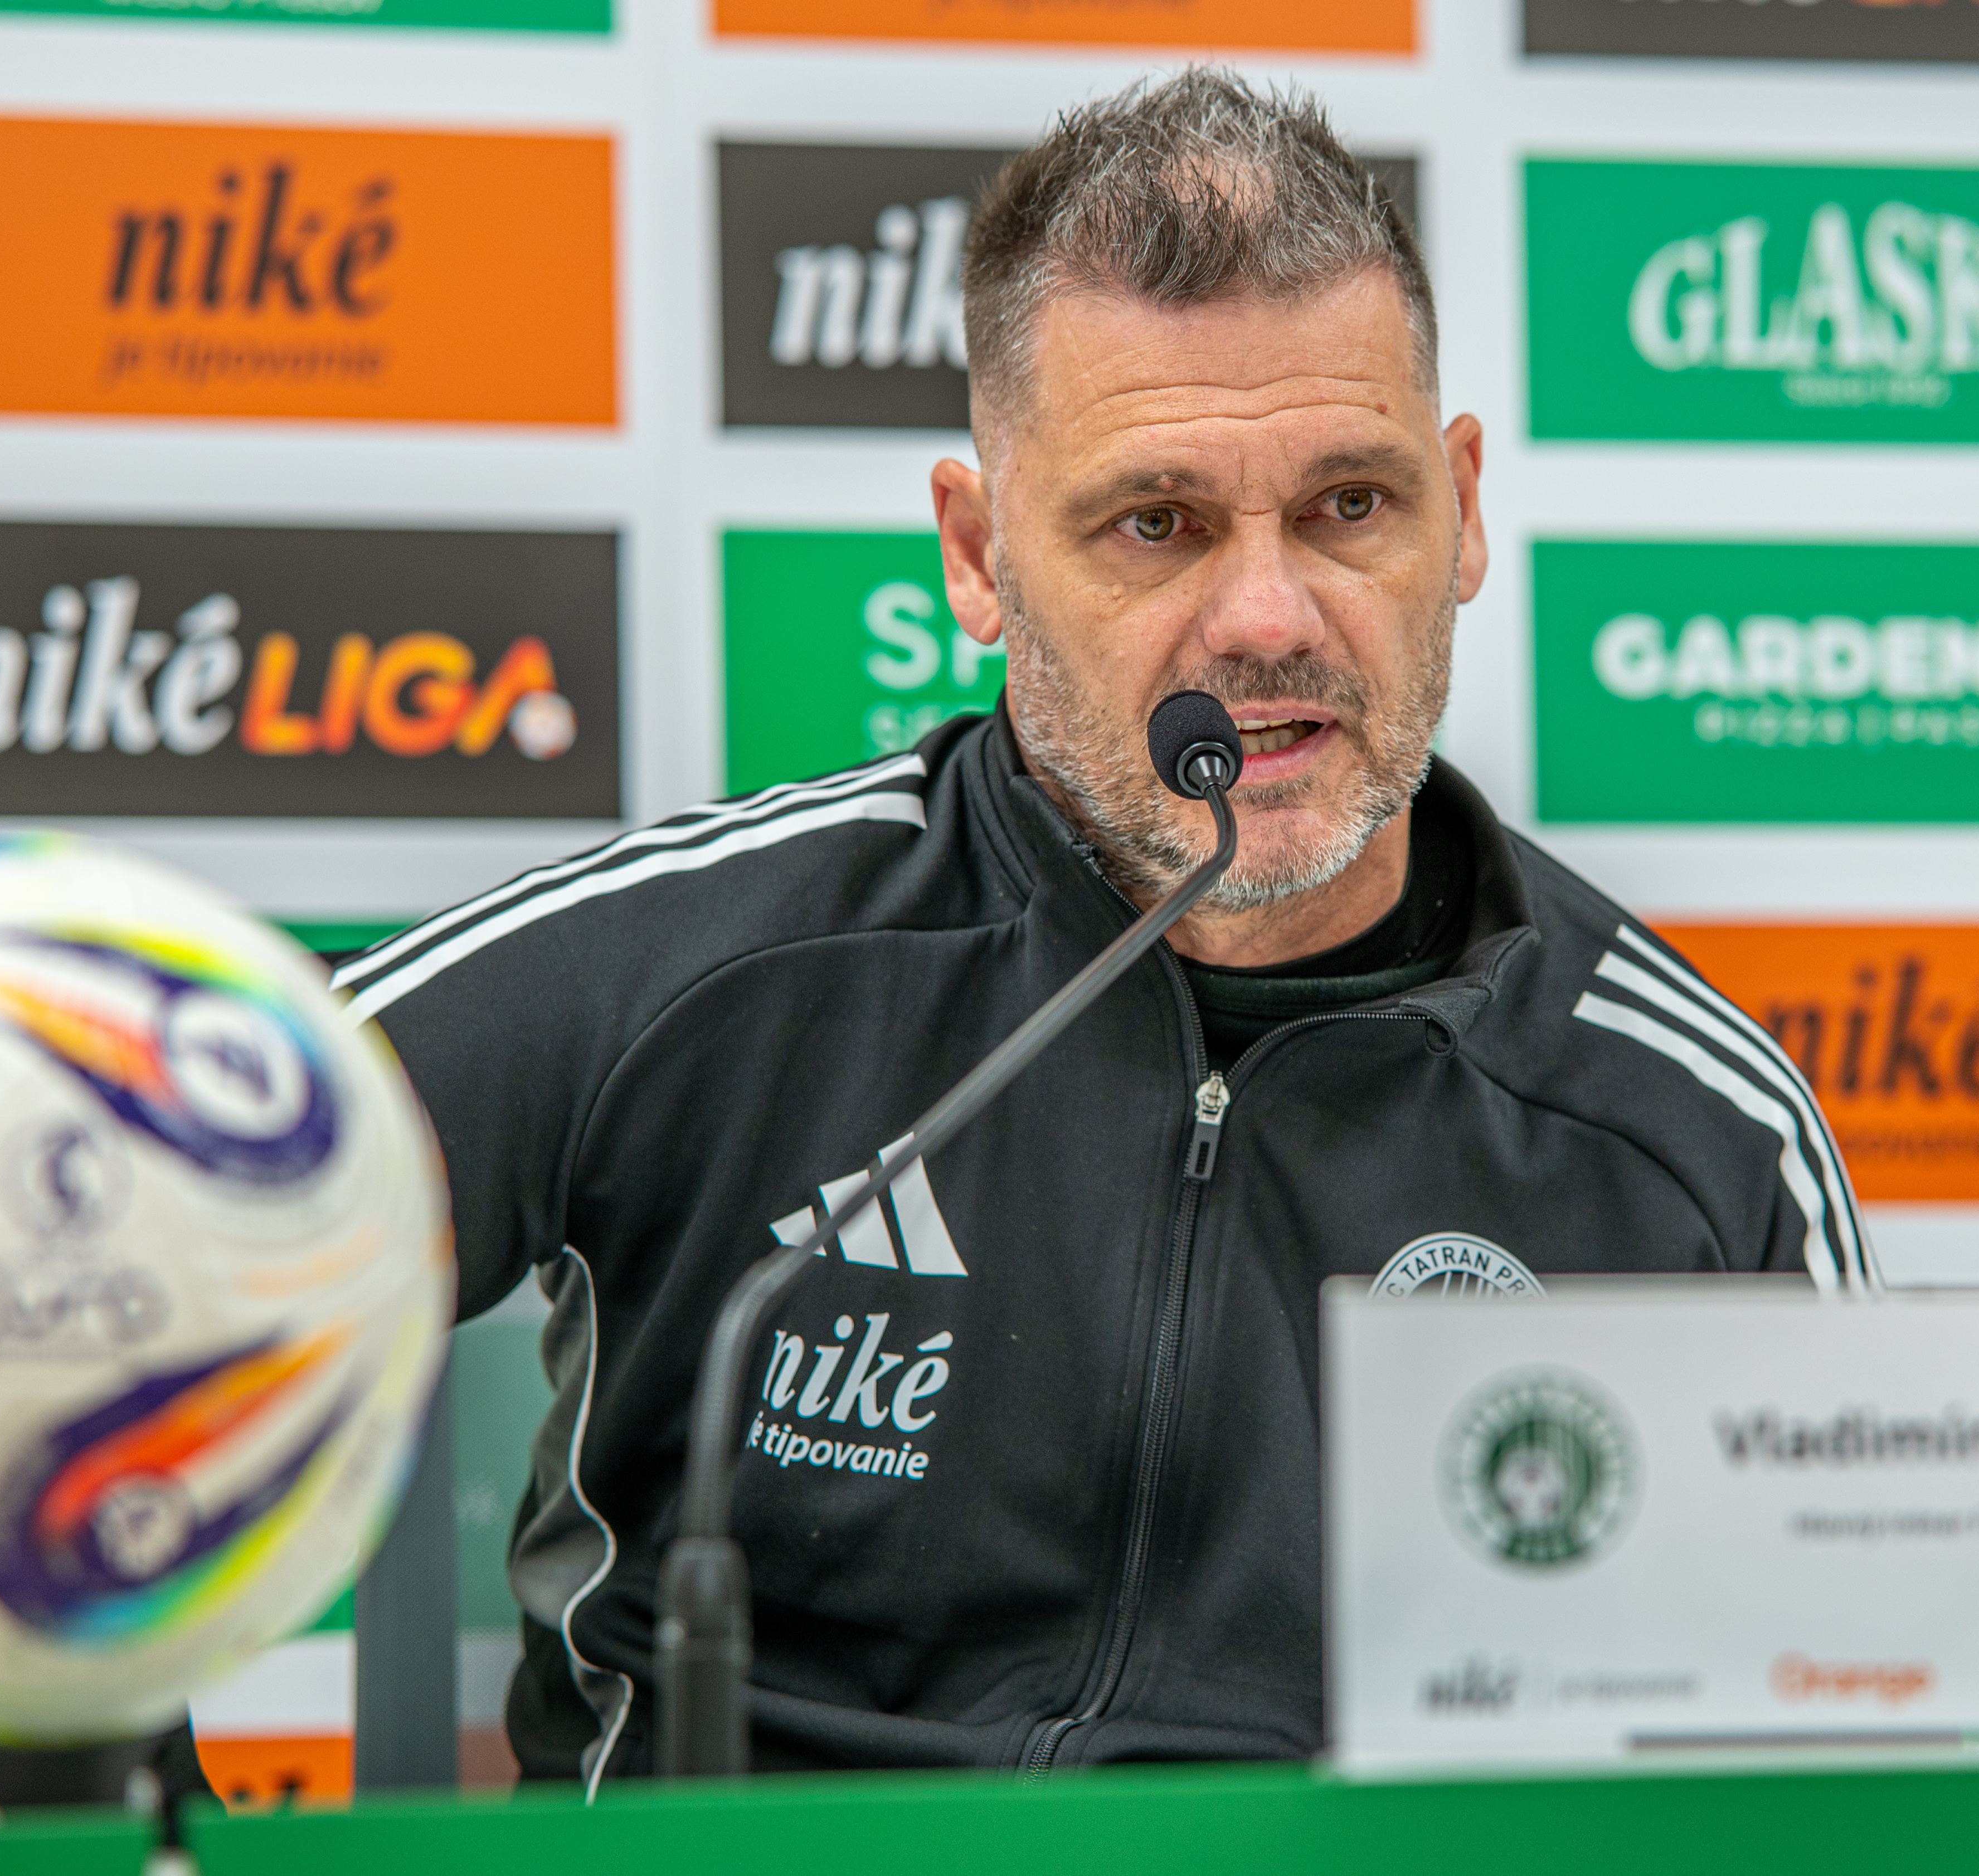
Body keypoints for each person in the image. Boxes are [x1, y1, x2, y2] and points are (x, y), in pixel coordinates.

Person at [335, 68, 1871, 1790]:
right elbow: (153, 1212)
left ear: (1463, 511)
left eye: (1350, 508)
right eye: (1159, 524)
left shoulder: (1690, 1136)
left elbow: (1837, 1757)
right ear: (980, 557)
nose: (1269, 617)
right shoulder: (702, 970)